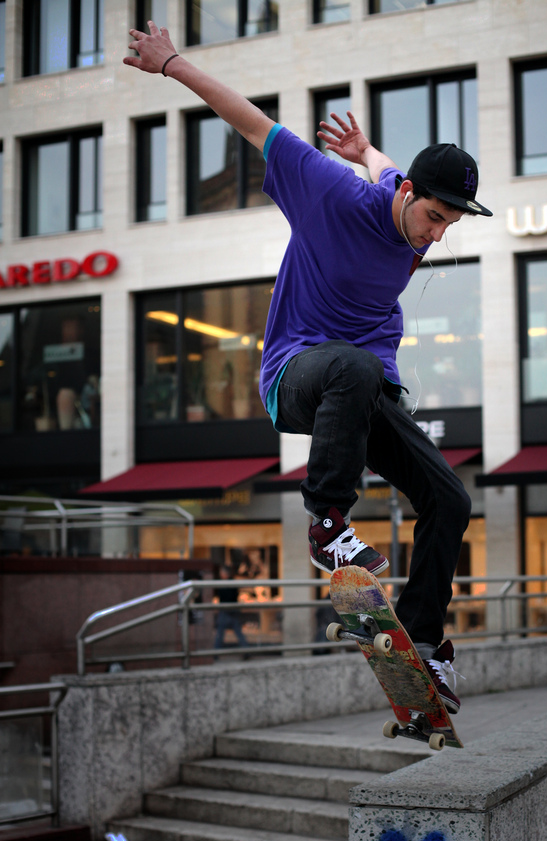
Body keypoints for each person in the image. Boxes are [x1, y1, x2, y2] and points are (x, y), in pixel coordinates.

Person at [124, 22, 494, 713]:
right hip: (295, 376)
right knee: (351, 365)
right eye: (434, 217)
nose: (435, 235)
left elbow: (383, 164)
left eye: (449, 225)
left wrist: (364, 148)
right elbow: (255, 126)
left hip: (360, 388)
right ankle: (327, 522)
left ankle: (422, 644)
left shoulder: (397, 190)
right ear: (410, 192)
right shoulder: (328, 190)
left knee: (450, 499)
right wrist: (172, 64)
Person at [213, 564, 249, 651]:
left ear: (225, 573)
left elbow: (225, 597)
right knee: (237, 632)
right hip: (232, 610)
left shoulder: (225, 583)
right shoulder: (232, 582)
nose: (220, 574)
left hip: (226, 610)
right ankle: (246, 650)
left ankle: (215, 653)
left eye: (221, 572)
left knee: (220, 633)